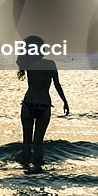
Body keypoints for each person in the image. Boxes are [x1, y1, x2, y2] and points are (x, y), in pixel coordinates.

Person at [17, 34, 69, 166]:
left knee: (26, 143)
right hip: (44, 105)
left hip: (28, 104)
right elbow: (57, 85)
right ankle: (38, 173)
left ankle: (26, 172)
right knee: (38, 144)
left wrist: (26, 49)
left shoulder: (28, 63)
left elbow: (19, 59)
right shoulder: (50, 64)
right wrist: (65, 101)